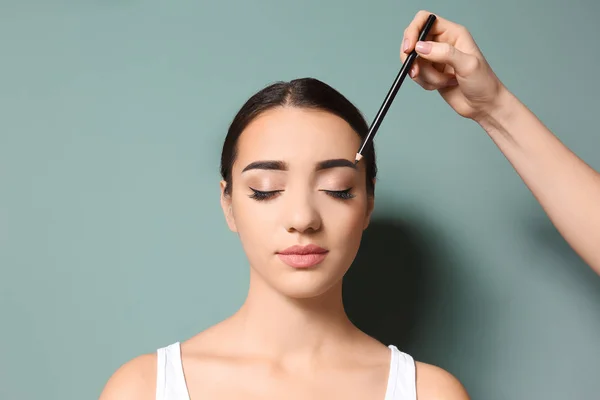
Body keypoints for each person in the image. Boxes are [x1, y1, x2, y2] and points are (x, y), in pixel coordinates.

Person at [99, 9, 600, 400]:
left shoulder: (430, 393)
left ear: (368, 203)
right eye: (266, 190)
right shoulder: (145, 388)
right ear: (228, 204)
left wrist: (494, 106)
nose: (302, 219)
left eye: (337, 188)